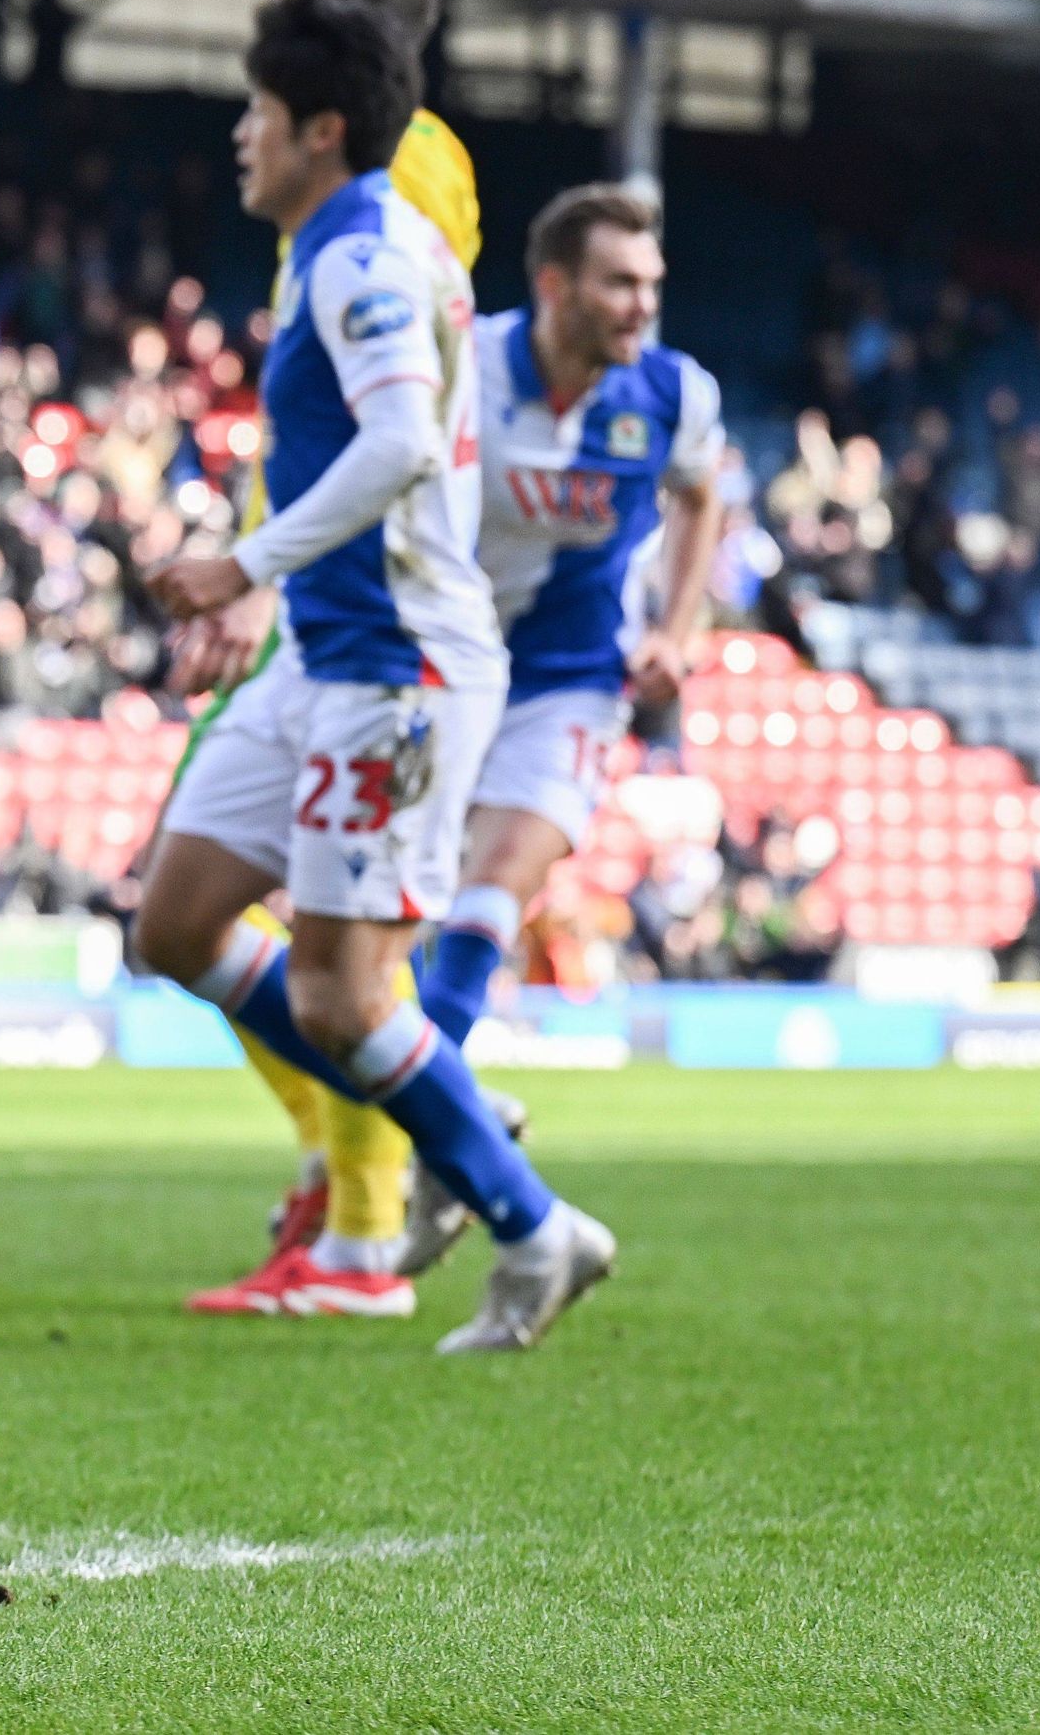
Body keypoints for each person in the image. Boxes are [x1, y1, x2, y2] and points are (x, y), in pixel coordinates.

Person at [135, 0, 616, 1355]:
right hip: (319, 659)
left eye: (262, 114)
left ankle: (532, 1225)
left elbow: (404, 435)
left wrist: (246, 562)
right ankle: (441, 1093)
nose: (242, 134)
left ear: (322, 129)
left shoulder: (361, 257)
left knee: (347, 998)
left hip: (391, 665)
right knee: (174, 922)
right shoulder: (352, 239)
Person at [178, 0, 480, 1318]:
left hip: (349, 595)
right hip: (313, 575)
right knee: (203, 908)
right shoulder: (394, 145)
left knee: (306, 939)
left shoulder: (395, 170)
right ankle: (359, 1149)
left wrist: (250, 565)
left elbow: (392, 431)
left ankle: (388, 1174)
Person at [387, 184, 725, 1274]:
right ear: (552, 285)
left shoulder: (673, 396)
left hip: (568, 682)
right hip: (434, 668)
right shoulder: (462, 369)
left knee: (492, 891)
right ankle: (452, 1131)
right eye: (619, 283)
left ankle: (440, 1160)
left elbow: (700, 497)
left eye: (651, 286)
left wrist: (676, 626)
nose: (640, 307)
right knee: (364, 938)